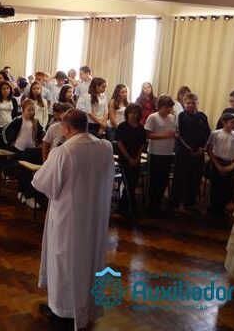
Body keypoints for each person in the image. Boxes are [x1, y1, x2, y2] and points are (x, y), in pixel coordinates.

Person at [31, 109, 115, 329]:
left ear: (66, 128)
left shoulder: (64, 151)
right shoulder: (105, 147)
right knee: (88, 262)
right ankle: (86, 307)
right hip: (94, 217)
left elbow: (41, 182)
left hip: (69, 219)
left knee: (65, 263)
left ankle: (62, 311)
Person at [170, 93, 210, 211]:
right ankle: (175, 204)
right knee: (180, 178)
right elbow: (179, 135)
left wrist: (202, 148)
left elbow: (208, 133)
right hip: (184, 152)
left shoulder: (203, 116)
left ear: (198, 103)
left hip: (199, 152)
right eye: (188, 103)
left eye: (194, 103)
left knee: (195, 179)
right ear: (184, 103)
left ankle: (190, 203)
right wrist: (190, 149)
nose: (191, 105)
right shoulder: (181, 116)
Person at [207, 113, 234, 217]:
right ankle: (213, 208)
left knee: (227, 187)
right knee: (215, 186)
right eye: (232, 122)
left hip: (230, 164)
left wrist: (232, 166)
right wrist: (217, 165)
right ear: (224, 122)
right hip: (217, 162)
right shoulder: (215, 134)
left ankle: (222, 208)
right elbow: (209, 149)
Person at [144, 95, 176, 216]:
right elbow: (148, 135)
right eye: (167, 107)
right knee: (154, 181)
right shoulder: (153, 117)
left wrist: (173, 136)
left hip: (168, 153)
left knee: (163, 180)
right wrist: (165, 136)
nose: (169, 110)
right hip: (155, 153)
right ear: (160, 106)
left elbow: (172, 133)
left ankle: (158, 204)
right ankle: (151, 205)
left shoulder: (172, 117)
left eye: (170, 107)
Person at [115, 104, 147, 215]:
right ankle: (131, 207)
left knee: (133, 183)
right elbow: (119, 143)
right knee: (129, 183)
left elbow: (142, 145)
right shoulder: (122, 126)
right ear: (127, 114)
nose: (133, 115)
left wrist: (137, 158)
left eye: (135, 113)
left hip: (136, 159)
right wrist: (129, 158)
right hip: (125, 159)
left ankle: (123, 205)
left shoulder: (141, 128)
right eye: (131, 112)